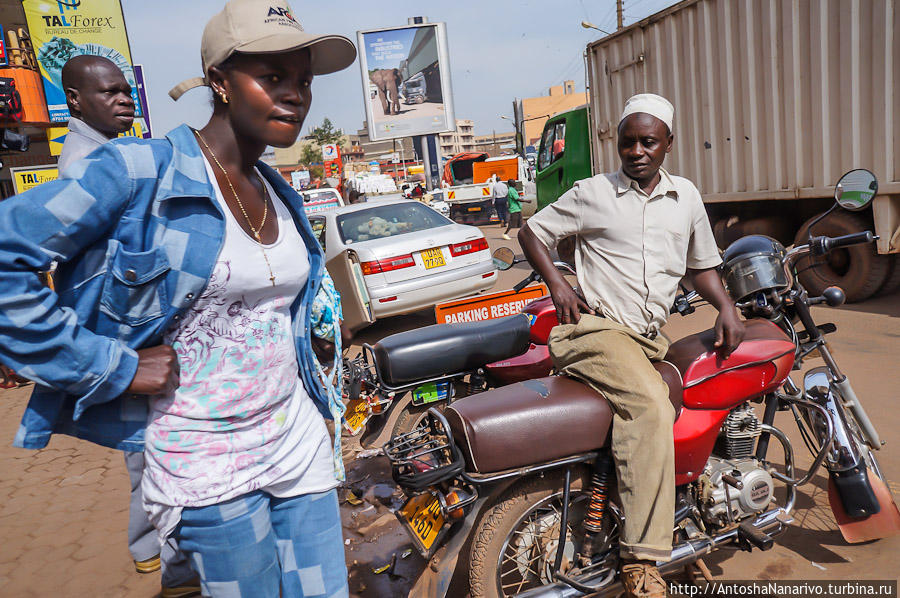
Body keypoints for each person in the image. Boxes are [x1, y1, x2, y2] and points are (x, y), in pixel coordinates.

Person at [0, 1, 356, 595]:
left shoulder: (277, 188)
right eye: (272, 78)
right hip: (205, 458)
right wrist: (111, 366)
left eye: (303, 81)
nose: (296, 96)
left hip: (295, 442)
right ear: (219, 80)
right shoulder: (139, 171)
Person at [518, 93, 745, 598]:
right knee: (648, 407)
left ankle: (682, 520)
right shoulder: (593, 192)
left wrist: (726, 306)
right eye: (628, 142)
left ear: (668, 144)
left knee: (693, 394)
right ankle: (643, 559)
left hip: (647, 339)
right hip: (593, 331)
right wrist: (558, 284)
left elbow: (701, 265)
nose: (637, 151)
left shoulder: (685, 196)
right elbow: (532, 230)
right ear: (616, 145)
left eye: (648, 141)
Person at [58, 55, 199, 597]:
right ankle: (171, 565)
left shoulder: (111, 155)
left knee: (147, 451)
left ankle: (153, 552)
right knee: (152, 452)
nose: (124, 99)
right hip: (128, 343)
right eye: (109, 92)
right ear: (75, 99)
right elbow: (95, 272)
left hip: (135, 339)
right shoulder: (89, 167)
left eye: (126, 90)